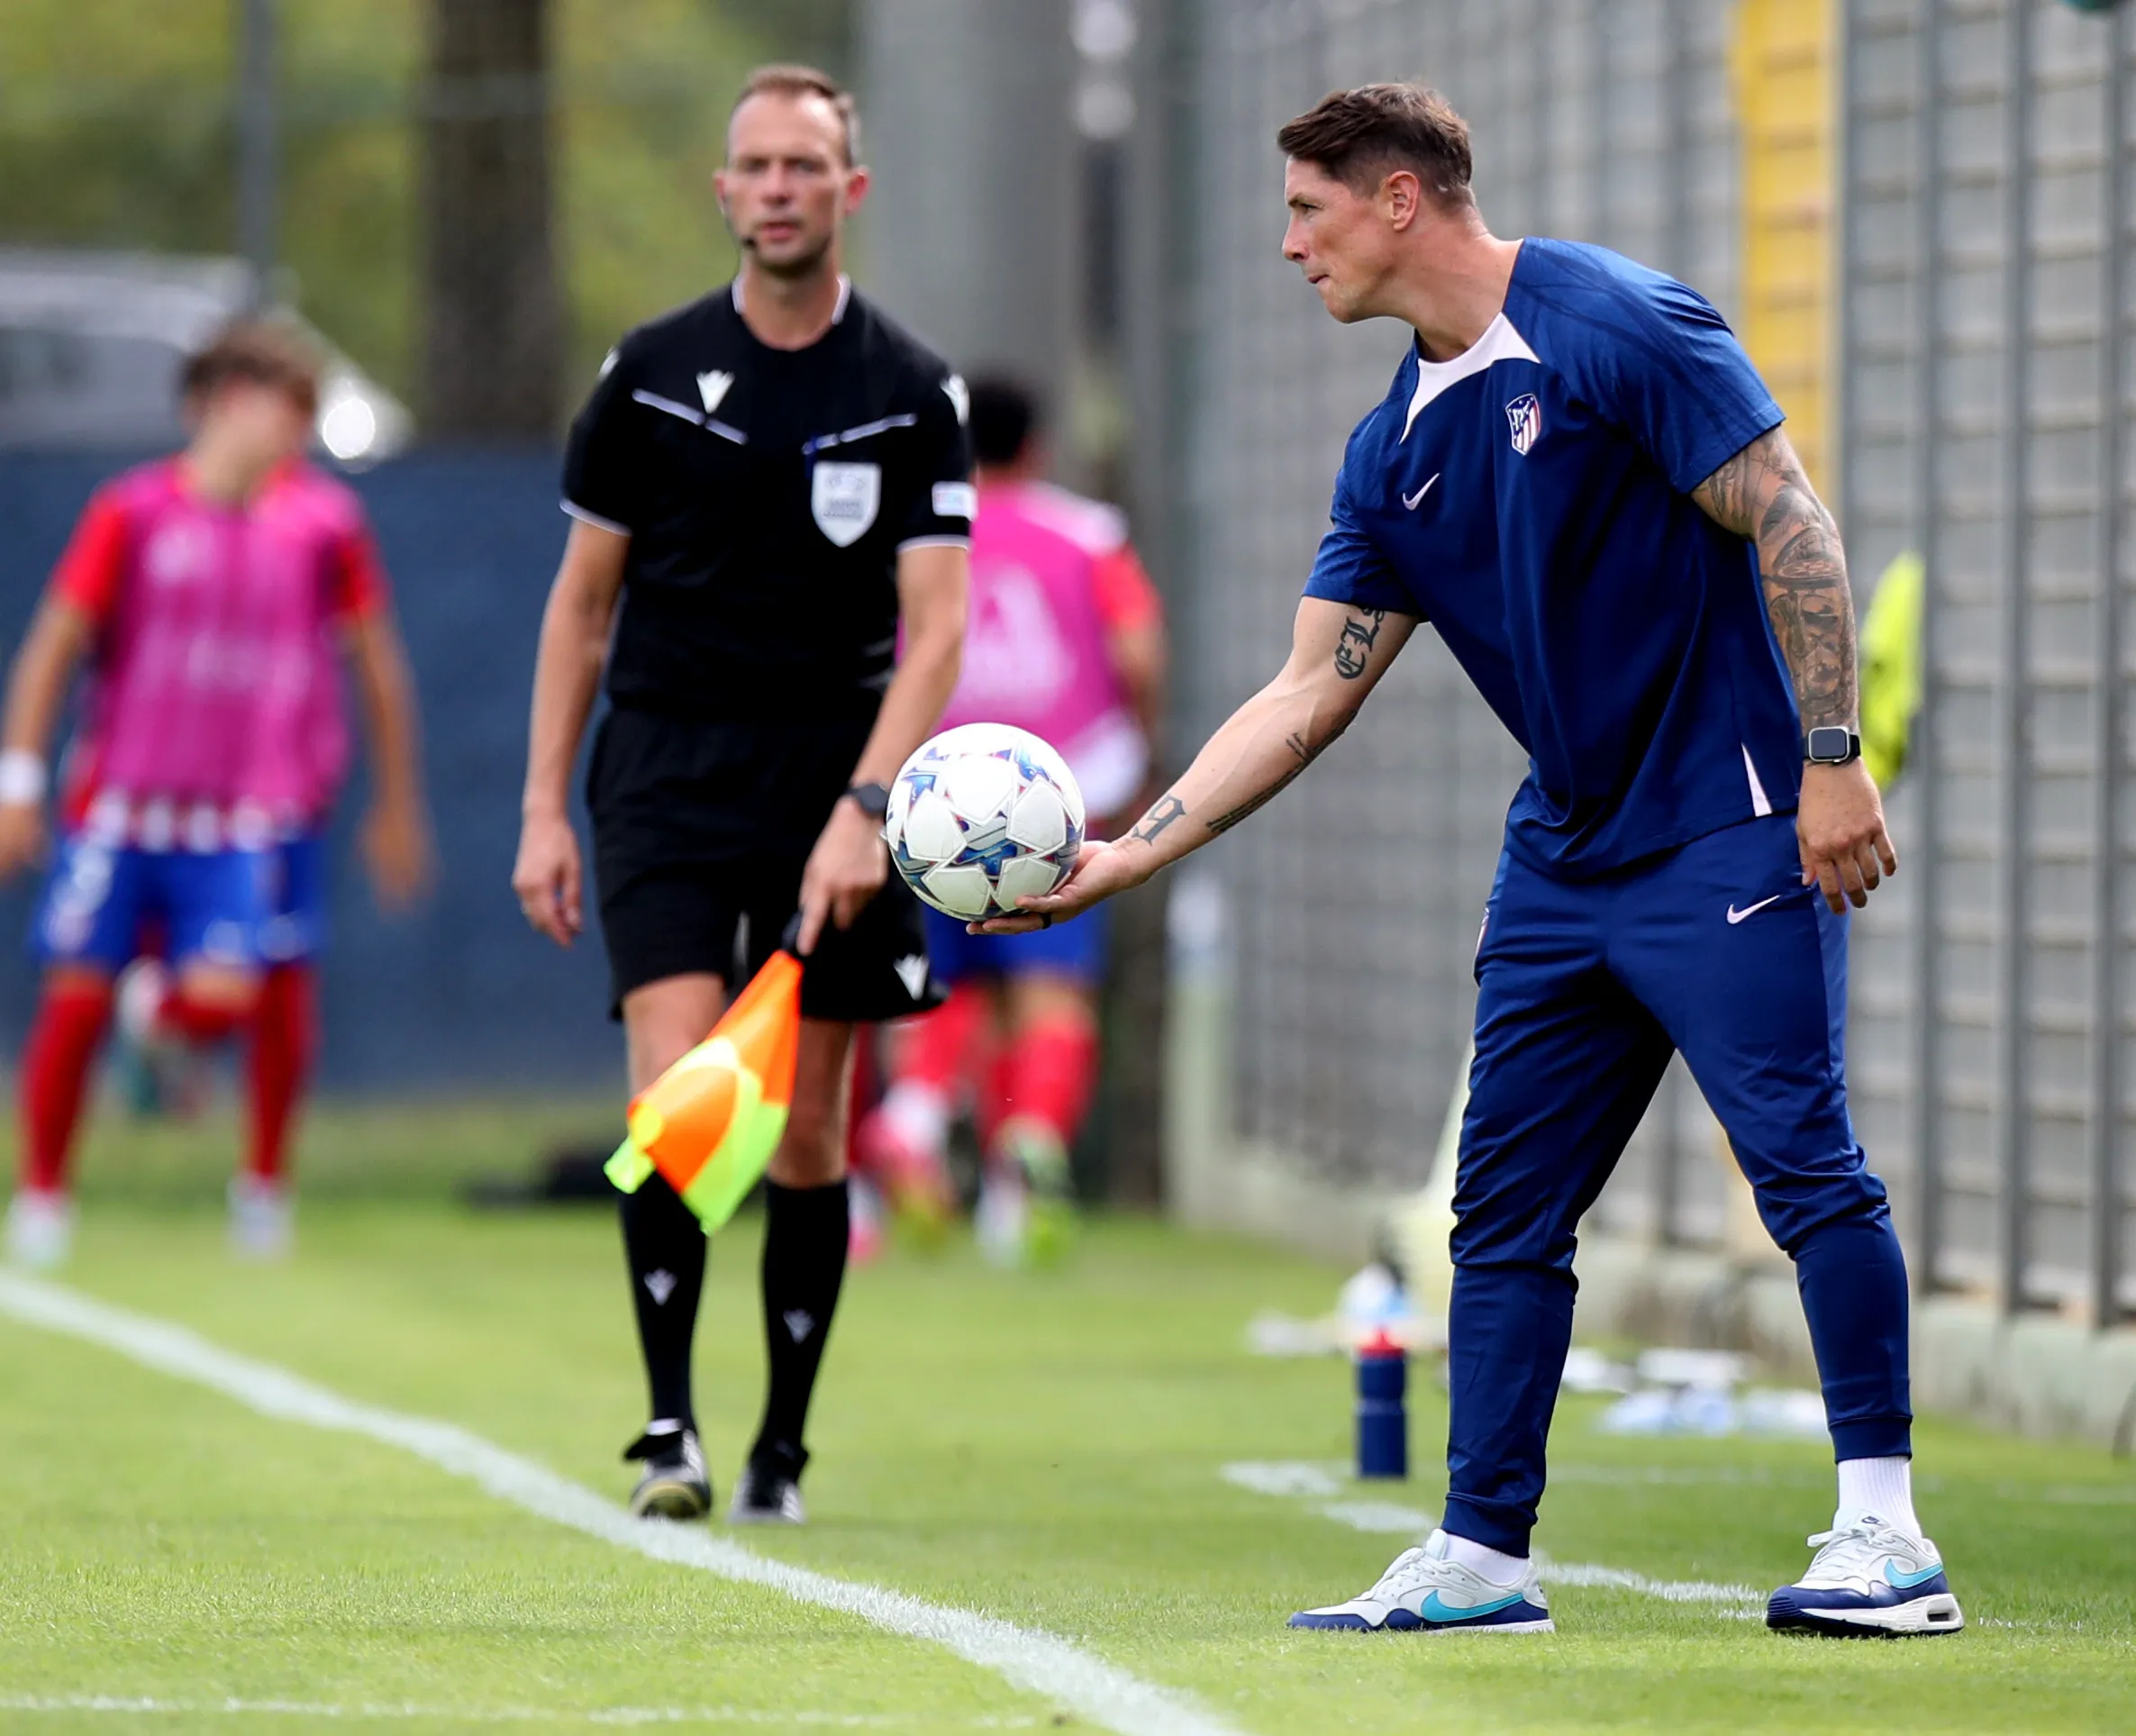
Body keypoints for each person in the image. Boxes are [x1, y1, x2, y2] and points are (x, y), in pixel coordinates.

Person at [976, 84, 1949, 1637]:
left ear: (1403, 199)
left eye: (1310, 209)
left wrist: (1834, 762)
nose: (1290, 244)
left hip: (1735, 818)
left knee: (1801, 1170)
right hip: (1563, 864)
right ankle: (1482, 1557)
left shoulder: (1618, 320)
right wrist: (1119, 857)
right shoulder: (1390, 454)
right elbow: (1306, 694)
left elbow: (1793, 520)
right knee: (1498, 1213)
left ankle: (1887, 1538)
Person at [511, 65, 970, 1527]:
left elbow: (938, 626)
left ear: (851, 191)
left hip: (833, 772)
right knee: (678, 1097)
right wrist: (540, 807)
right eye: (754, 166)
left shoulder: (908, 390)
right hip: (661, 768)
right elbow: (581, 607)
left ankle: (780, 1443)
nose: (777, 187)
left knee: (812, 1128)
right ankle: (669, 1430)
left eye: (804, 165)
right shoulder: (644, 372)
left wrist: (866, 801)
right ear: (725, 193)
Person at [0, 320, 430, 1268]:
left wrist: (396, 805)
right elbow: (53, 647)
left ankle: (239, 1152)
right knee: (73, 998)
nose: (298, 432)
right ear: (223, 403)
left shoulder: (323, 525)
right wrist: (18, 780)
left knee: (242, 995)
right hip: (122, 808)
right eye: (287, 408)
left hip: (245, 818)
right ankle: (41, 1200)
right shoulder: (134, 512)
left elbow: (378, 667)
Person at [852, 375, 1166, 1268]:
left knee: (937, 982)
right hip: (1050, 792)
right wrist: (1140, 745)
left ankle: (912, 1120)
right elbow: (1137, 647)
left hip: (931, 790)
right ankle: (1027, 1146)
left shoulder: (915, 529)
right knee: (1047, 988)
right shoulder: (1086, 532)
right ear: (1036, 445)